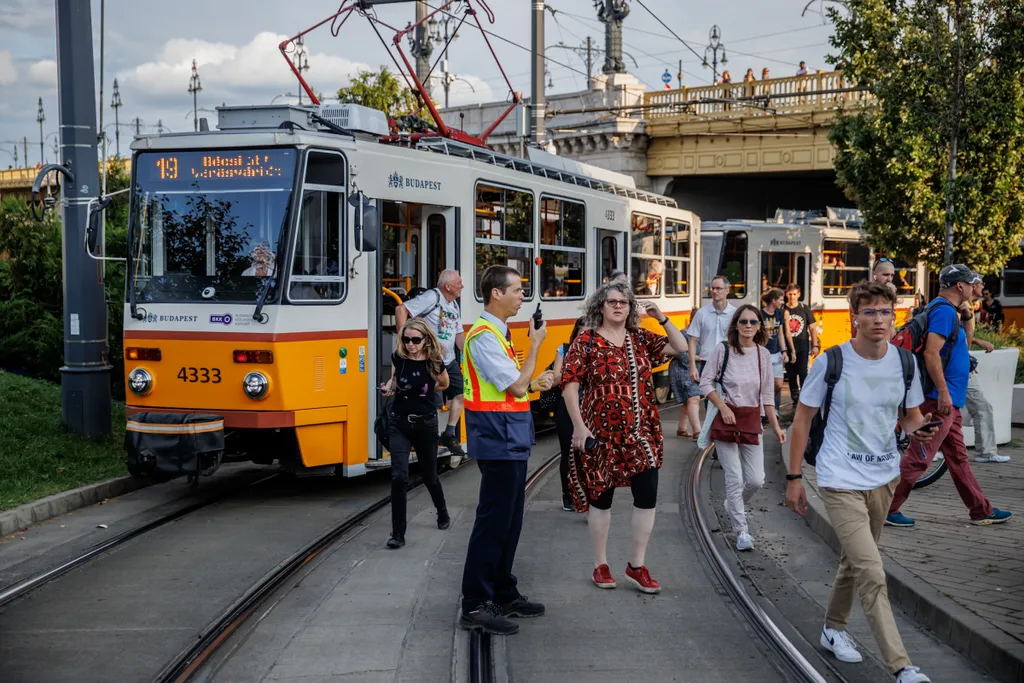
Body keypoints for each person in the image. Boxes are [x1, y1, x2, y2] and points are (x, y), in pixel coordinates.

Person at [786, 281, 938, 683]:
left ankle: (832, 629)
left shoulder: (905, 363)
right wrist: (794, 476)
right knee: (872, 570)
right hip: (839, 478)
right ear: (854, 316)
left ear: (894, 316)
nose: (878, 319)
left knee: (853, 563)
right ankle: (901, 665)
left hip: (884, 477)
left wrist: (919, 429)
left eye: (885, 312)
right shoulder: (832, 361)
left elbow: (908, 418)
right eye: (869, 312)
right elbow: (801, 420)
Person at [562, 280, 688, 593]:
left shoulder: (640, 338)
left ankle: (636, 565)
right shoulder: (586, 341)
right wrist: (579, 425)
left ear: (631, 309)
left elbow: (681, 347)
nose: (618, 306)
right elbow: (570, 385)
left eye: (624, 302)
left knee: (646, 497)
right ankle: (600, 564)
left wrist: (661, 317)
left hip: (641, 433)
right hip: (600, 434)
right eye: (612, 302)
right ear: (600, 307)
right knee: (601, 500)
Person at [458, 265, 555, 636]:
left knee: (509, 521)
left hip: (508, 437)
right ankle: (476, 604)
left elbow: (512, 388)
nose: (521, 296)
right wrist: (536, 346)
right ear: (496, 294)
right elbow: (515, 387)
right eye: (516, 289)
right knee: (494, 522)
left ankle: (502, 590)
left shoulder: (497, 334)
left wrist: (535, 382)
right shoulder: (484, 336)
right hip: (497, 439)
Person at [886, 264, 1012, 528]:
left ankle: (980, 510)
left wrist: (966, 314)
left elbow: (960, 343)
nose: (973, 288)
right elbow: (932, 353)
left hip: (948, 401)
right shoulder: (944, 312)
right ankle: (886, 508)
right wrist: (943, 392)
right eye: (970, 283)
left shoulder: (945, 309)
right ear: (960, 286)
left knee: (958, 460)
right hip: (938, 401)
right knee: (918, 458)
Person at [700, 305, 786, 551]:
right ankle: (742, 531)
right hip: (727, 420)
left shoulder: (763, 355)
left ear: (760, 326)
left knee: (756, 480)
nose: (748, 326)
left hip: (751, 421)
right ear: (736, 324)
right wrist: (722, 407)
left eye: (753, 322)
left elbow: (767, 396)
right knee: (735, 477)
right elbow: (705, 383)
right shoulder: (722, 350)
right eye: (744, 321)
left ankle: (733, 504)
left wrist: (777, 426)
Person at [380, 319, 451, 549]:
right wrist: (389, 386)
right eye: (406, 339)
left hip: (425, 424)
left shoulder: (433, 362)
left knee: (429, 475)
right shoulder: (398, 359)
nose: (410, 344)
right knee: (398, 477)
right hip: (399, 423)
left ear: (425, 339)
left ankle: (442, 511)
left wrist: (425, 391)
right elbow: (395, 382)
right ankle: (398, 533)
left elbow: (443, 384)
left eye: (415, 340)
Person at [395, 270, 467, 466]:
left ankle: (449, 433)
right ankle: (423, 438)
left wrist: (470, 355)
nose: (462, 286)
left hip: (449, 359)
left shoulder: (453, 304)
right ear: (448, 286)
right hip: (430, 358)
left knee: (459, 394)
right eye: (459, 282)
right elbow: (401, 310)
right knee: (430, 399)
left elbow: (458, 334)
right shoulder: (432, 297)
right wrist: (405, 343)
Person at [961, 275, 1009, 464]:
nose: (983, 286)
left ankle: (986, 452)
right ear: (970, 287)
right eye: (979, 284)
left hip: (962, 365)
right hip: (957, 368)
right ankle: (986, 452)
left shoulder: (969, 306)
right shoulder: (961, 307)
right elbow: (950, 335)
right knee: (981, 408)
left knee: (975, 408)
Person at [551, 319, 586, 511]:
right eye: (581, 334)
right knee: (569, 453)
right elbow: (556, 379)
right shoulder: (564, 349)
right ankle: (568, 495)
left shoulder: (599, 351)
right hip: (567, 407)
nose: (584, 339)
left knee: (590, 454)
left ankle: (588, 495)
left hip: (591, 407)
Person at [687, 275, 737, 383]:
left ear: (727, 291)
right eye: (713, 288)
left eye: (718, 288)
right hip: (706, 362)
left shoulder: (735, 314)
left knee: (729, 397)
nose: (714, 291)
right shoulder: (702, 313)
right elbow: (692, 341)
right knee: (709, 398)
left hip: (729, 362)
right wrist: (693, 367)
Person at [669, 307, 702, 439]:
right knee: (694, 398)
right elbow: (682, 355)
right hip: (681, 369)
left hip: (693, 369)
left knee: (687, 401)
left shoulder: (701, 336)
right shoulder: (682, 334)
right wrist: (701, 357)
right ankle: (697, 432)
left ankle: (682, 429)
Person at [762, 288, 795, 416]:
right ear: (774, 301)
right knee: (765, 383)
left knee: (778, 384)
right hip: (764, 353)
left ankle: (771, 404)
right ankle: (768, 409)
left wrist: (784, 351)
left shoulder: (779, 314)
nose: (783, 301)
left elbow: (780, 333)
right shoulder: (761, 314)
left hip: (776, 353)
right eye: (781, 299)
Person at [784, 284, 819, 403]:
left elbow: (813, 328)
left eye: (794, 294)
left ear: (799, 295)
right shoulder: (783, 310)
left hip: (803, 346)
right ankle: (795, 398)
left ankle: (805, 397)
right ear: (786, 294)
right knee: (791, 374)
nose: (792, 297)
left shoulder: (804, 309)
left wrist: (815, 345)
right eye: (790, 294)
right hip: (788, 347)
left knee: (803, 372)